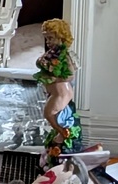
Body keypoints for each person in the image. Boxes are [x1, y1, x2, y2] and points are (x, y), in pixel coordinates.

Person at [35, 18, 83, 164]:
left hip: (61, 92)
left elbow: (70, 75)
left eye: (50, 38)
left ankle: (64, 133)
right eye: (46, 38)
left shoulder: (64, 56)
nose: (48, 41)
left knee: (48, 113)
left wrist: (53, 79)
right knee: (52, 114)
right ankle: (59, 132)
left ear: (61, 37)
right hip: (55, 92)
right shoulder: (52, 53)